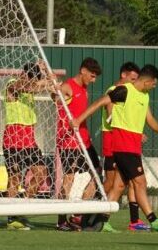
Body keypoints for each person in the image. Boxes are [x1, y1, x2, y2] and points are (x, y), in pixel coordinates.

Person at [74, 64, 158, 233]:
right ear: (147, 81)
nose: (154, 87)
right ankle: (153, 220)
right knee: (140, 182)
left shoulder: (144, 96)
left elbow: (149, 118)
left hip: (133, 147)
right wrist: (78, 120)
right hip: (123, 147)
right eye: (154, 84)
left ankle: (102, 221)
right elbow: (100, 102)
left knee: (119, 187)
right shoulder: (124, 91)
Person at [2, 61, 56, 230]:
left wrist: (47, 72)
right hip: (13, 139)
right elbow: (26, 87)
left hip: (29, 140)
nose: (33, 79)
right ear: (23, 74)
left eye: (35, 76)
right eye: (31, 75)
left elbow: (55, 92)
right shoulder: (13, 84)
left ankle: (21, 210)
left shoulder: (34, 85)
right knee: (15, 178)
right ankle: (11, 219)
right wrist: (43, 81)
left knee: (41, 174)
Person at [53, 57, 101, 231]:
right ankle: (61, 220)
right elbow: (56, 97)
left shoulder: (85, 88)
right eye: (92, 76)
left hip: (84, 141)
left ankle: (77, 214)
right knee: (69, 178)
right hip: (69, 142)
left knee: (96, 173)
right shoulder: (68, 87)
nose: (94, 80)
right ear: (83, 71)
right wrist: (54, 90)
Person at [101, 62, 146, 230]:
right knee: (111, 184)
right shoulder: (115, 91)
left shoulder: (132, 93)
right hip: (113, 142)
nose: (134, 82)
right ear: (123, 75)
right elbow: (110, 111)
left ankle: (134, 221)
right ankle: (88, 214)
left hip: (125, 142)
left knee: (129, 183)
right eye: (132, 78)